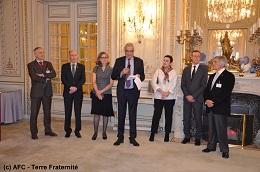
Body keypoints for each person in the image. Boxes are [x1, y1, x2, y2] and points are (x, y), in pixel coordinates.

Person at [111, 43, 145, 146]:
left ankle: (132, 138)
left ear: (133, 51)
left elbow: (143, 76)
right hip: (122, 91)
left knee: (132, 115)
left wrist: (139, 76)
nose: (129, 53)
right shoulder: (119, 61)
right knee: (121, 114)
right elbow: (113, 76)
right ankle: (120, 137)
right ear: (124, 51)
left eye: (131, 51)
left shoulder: (139, 61)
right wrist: (121, 73)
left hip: (133, 92)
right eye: (127, 51)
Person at [202, 55, 235, 159]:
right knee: (211, 129)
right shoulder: (212, 76)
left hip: (220, 107)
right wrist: (206, 100)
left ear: (221, 63)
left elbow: (226, 93)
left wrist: (214, 102)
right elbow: (206, 90)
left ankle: (224, 150)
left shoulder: (229, 76)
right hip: (210, 106)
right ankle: (211, 146)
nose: (213, 64)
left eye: (215, 62)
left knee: (221, 130)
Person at [27, 47, 57, 140]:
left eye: (43, 52)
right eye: (40, 53)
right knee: (34, 113)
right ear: (35, 54)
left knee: (47, 112)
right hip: (36, 92)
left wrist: (43, 75)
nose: (42, 54)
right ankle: (34, 132)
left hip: (47, 92)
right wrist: (46, 79)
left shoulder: (48, 63)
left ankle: (48, 130)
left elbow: (54, 74)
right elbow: (34, 77)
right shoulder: (31, 65)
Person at [181, 50, 208, 146]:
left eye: (198, 56)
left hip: (198, 98)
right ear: (191, 57)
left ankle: (198, 138)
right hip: (187, 98)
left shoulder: (204, 69)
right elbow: (183, 85)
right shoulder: (186, 69)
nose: (196, 58)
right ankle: (187, 136)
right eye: (194, 56)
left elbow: (203, 85)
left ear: (200, 58)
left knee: (198, 118)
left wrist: (193, 96)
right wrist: (187, 96)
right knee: (186, 118)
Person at [149, 55, 177, 142]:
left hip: (170, 97)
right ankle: (153, 133)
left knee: (168, 116)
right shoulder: (158, 71)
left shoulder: (174, 72)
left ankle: (167, 134)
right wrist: (162, 92)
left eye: (167, 61)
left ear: (171, 63)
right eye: (164, 60)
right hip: (158, 96)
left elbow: (174, 84)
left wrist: (167, 93)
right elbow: (154, 83)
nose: (165, 62)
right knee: (156, 115)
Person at [61, 50, 86, 138]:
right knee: (67, 112)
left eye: (75, 55)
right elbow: (63, 79)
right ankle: (67, 130)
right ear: (69, 57)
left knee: (77, 112)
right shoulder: (64, 66)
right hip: (68, 92)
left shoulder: (82, 66)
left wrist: (75, 88)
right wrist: (70, 88)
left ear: (77, 56)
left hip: (78, 93)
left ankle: (77, 130)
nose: (73, 57)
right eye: (72, 55)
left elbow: (83, 79)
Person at [91, 52, 114, 140]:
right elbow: (93, 81)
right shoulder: (96, 69)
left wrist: (101, 92)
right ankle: (95, 133)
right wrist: (97, 92)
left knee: (105, 115)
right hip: (96, 94)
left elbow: (111, 83)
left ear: (107, 59)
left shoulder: (111, 69)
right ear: (99, 59)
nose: (104, 59)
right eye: (102, 57)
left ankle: (104, 132)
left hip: (107, 94)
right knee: (96, 114)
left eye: (105, 57)